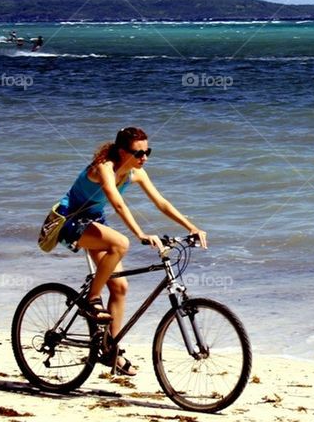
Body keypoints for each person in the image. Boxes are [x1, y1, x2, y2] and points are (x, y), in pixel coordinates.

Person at [56, 126, 207, 375]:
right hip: (70, 219)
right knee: (121, 243)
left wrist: (192, 227)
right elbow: (116, 202)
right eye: (138, 153)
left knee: (120, 287)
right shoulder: (103, 167)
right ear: (121, 151)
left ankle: (110, 351)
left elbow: (162, 202)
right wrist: (140, 234)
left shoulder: (135, 172)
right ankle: (91, 300)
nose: (144, 157)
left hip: (93, 221)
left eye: (147, 152)